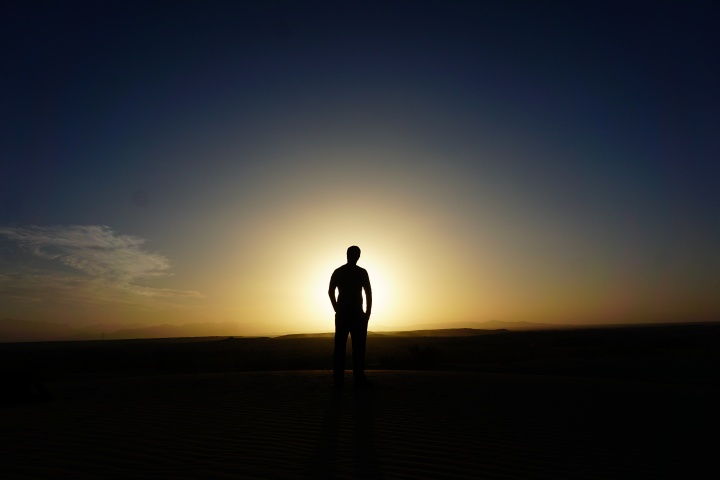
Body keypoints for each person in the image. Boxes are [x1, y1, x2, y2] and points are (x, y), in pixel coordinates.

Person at [328, 245, 372, 387]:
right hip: (356, 315)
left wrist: (337, 308)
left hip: (345, 314)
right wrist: (367, 313)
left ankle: (339, 375)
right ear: (357, 256)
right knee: (358, 347)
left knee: (341, 346)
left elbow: (330, 291)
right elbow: (368, 293)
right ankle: (357, 375)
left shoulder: (339, 271)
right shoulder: (361, 272)